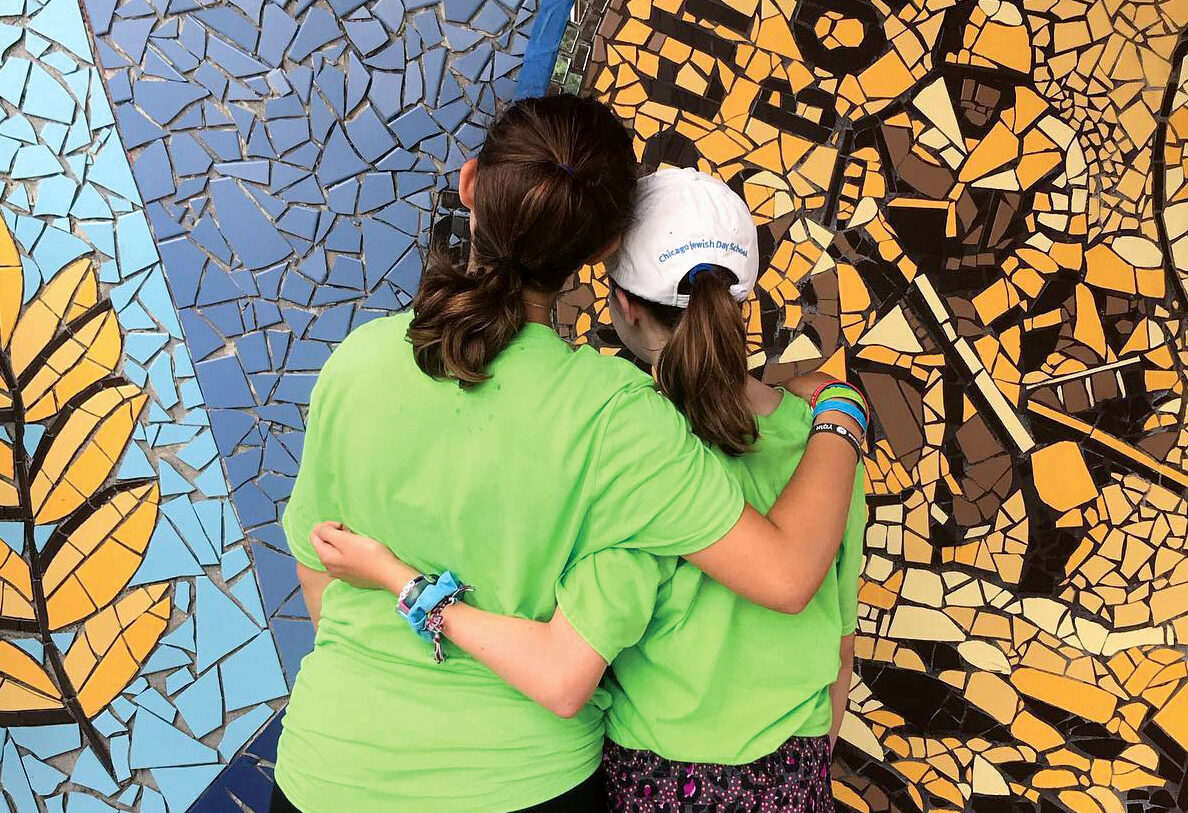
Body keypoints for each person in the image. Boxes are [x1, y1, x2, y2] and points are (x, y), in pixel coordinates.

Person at [308, 168, 867, 812]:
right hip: (793, 777)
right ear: (739, 298)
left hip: (660, 780)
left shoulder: (630, 451)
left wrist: (398, 580)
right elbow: (840, 649)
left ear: (623, 300)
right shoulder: (825, 443)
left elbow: (567, 667)